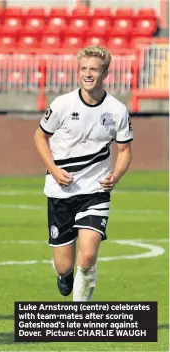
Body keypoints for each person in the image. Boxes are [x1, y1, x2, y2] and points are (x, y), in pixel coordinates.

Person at [33, 45, 133, 302]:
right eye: (84, 69)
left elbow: (124, 151)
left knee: (87, 258)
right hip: (60, 190)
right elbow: (40, 136)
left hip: (95, 191)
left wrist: (116, 176)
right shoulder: (62, 104)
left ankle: (80, 314)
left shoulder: (117, 110)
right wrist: (54, 170)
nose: (88, 74)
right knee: (65, 266)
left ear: (105, 73)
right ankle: (64, 275)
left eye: (94, 69)